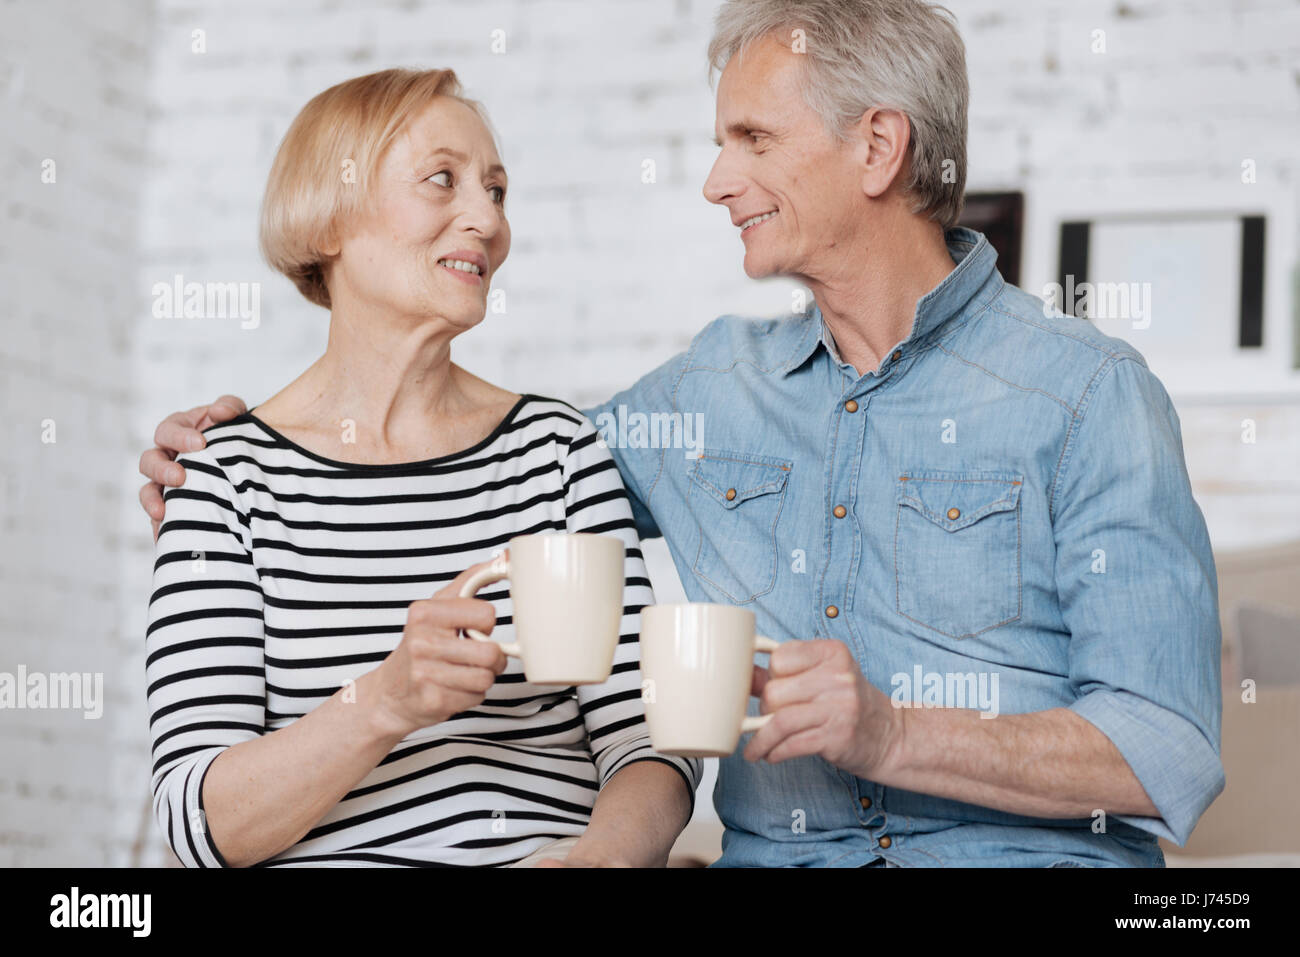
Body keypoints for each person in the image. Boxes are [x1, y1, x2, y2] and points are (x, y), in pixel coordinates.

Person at [140, 0, 1224, 867]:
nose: (715, 181)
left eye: (751, 138)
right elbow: (481, 460)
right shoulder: (700, 396)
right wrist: (230, 445)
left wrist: (893, 734)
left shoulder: (1087, 396)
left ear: (876, 147)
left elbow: (1167, 750)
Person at [142, 67, 699, 867]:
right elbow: (200, 824)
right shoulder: (223, 480)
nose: (487, 220)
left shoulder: (556, 449)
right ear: (328, 215)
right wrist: (386, 702)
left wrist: (602, 859)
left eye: (498, 191)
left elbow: (648, 735)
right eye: (443, 180)